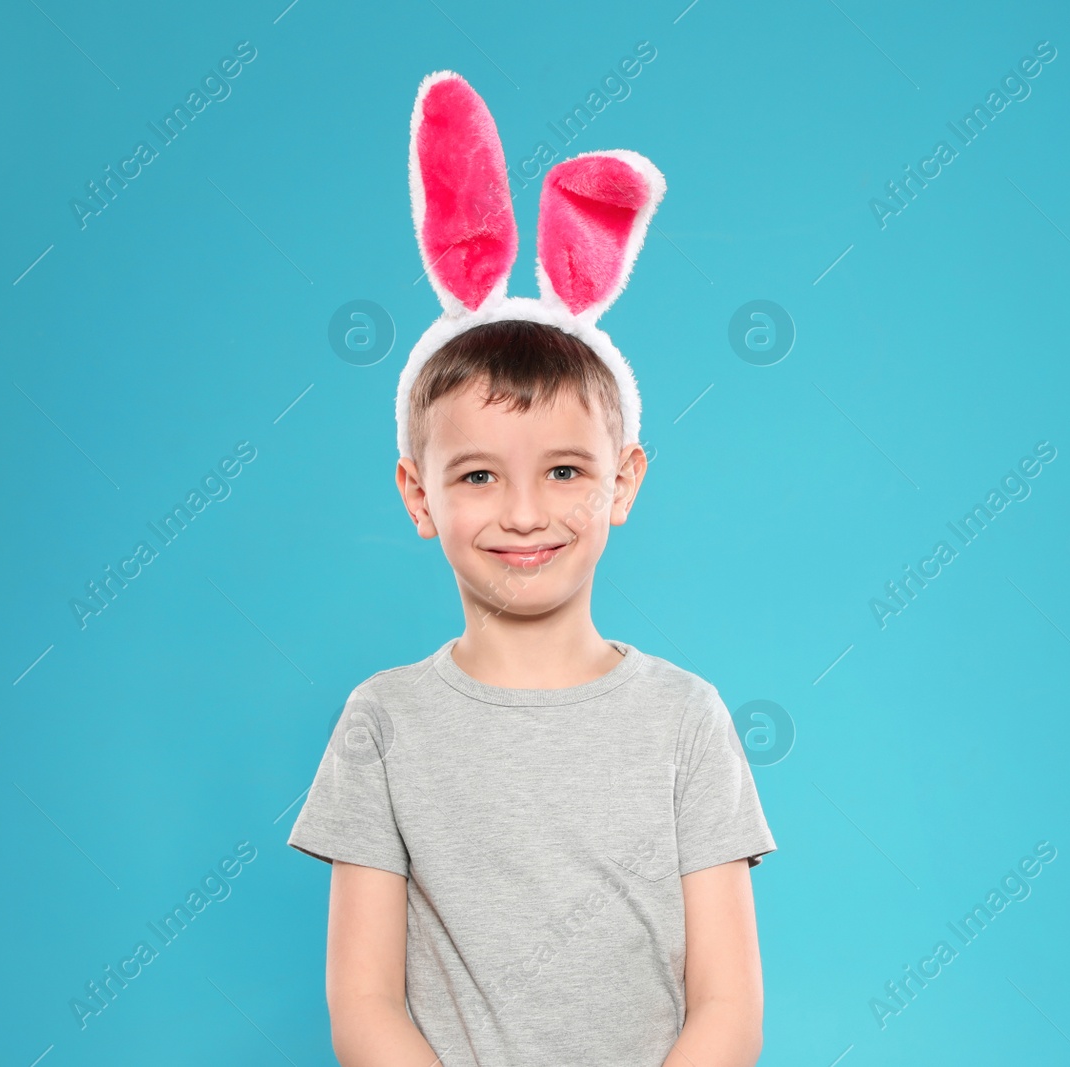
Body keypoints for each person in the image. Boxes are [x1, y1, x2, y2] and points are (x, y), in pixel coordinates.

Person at [289, 69, 776, 1067]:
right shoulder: (382, 722)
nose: (522, 512)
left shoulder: (686, 717)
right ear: (418, 495)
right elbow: (365, 1006)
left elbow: (725, 1007)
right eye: (475, 473)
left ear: (622, 480)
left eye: (563, 469)